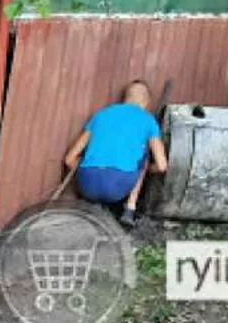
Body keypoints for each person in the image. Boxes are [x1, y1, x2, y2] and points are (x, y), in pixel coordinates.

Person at [64, 80, 167, 228]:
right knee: (144, 157)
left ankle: (95, 202)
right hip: (118, 187)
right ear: (146, 102)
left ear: (125, 98)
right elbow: (162, 166)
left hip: (86, 185)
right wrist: (145, 170)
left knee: (91, 155)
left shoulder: (100, 115)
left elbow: (69, 159)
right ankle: (129, 209)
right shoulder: (148, 120)